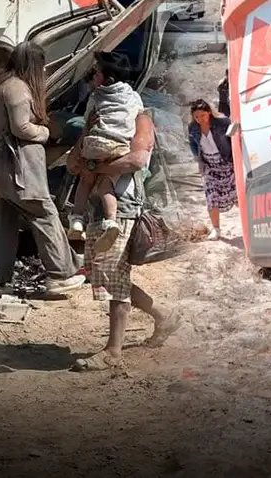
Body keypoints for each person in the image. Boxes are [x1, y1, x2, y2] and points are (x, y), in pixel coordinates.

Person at [68, 108, 182, 372]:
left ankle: (113, 351)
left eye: (99, 76)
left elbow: (137, 160)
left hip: (122, 207)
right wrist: (88, 143)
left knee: (113, 275)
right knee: (105, 274)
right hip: (95, 209)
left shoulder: (139, 118)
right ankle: (164, 314)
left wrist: (95, 166)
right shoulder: (97, 118)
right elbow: (73, 164)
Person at [0, 41, 85, 295]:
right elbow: (21, 128)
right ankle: (61, 274)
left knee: (3, 223)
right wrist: (45, 132)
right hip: (14, 169)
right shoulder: (18, 89)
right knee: (45, 214)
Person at [68, 51, 145, 252]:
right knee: (105, 185)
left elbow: (88, 118)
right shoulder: (134, 97)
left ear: (106, 79)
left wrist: (90, 160)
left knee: (86, 179)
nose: (93, 75)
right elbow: (137, 113)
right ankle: (111, 222)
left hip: (95, 145)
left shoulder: (95, 96)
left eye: (96, 73)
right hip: (119, 147)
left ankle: (76, 219)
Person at [187, 99, 237, 240]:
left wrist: (235, 160)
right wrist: (199, 161)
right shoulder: (193, 128)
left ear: (208, 112)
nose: (200, 119)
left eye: (202, 115)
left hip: (226, 163)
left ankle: (247, 223)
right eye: (197, 117)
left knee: (237, 195)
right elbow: (193, 145)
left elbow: (233, 140)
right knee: (211, 196)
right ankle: (216, 229)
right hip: (209, 166)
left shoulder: (222, 123)